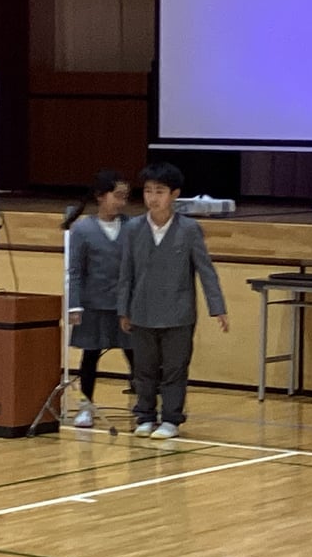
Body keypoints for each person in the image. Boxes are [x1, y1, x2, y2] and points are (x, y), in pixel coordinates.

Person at [117, 162, 229, 439]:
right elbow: (126, 273)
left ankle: (171, 419)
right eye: (148, 191)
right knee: (143, 369)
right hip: (142, 311)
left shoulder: (189, 229)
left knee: (175, 369)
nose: (153, 198)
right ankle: (144, 416)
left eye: (160, 191)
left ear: (174, 194)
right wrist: (123, 310)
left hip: (178, 313)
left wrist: (217, 307)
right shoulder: (133, 228)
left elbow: (205, 270)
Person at [66, 169, 134, 428]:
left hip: (124, 305)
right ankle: (85, 406)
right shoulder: (83, 229)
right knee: (90, 356)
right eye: (117, 196)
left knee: (136, 355)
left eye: (125, 197)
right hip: (93, 303)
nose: (121, 202)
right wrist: (74, 304)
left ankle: (146, 406)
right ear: (101, 196)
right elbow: (75, 270)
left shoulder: (132, 227)